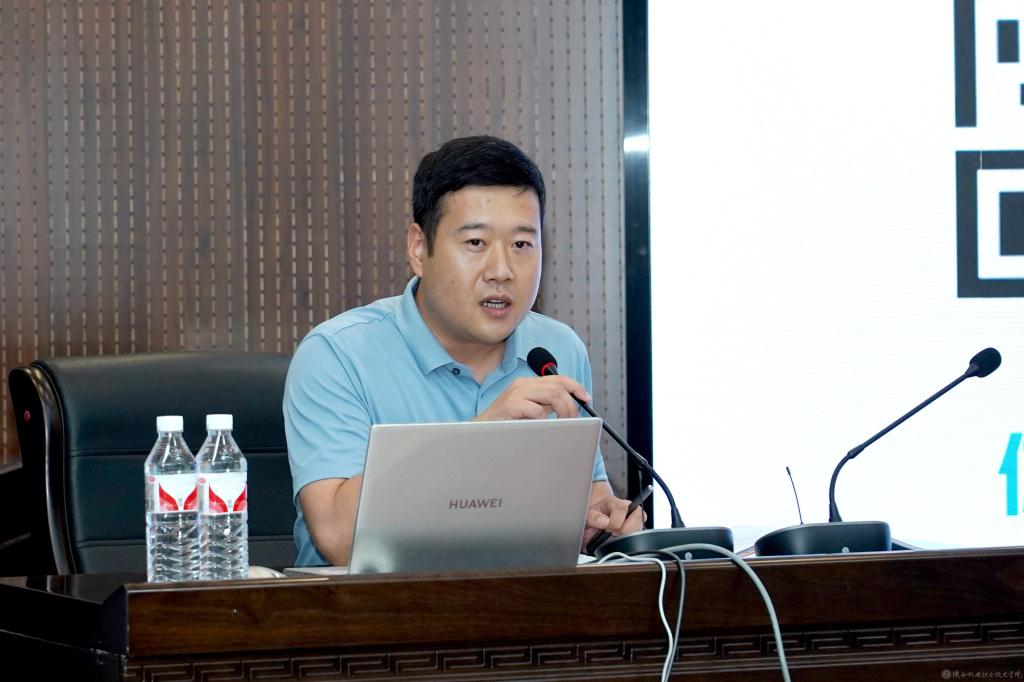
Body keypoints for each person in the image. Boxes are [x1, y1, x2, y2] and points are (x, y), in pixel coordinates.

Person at [283, 135, 642, 566]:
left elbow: (588, 502)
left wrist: (601, 525)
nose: (502, 271)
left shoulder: (556, 351)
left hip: (524, 604)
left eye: (521, 245)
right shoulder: (338, 356)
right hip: (376, 607)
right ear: (419, 249)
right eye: (475, 243)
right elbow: (339, 538)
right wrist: (484, 434)